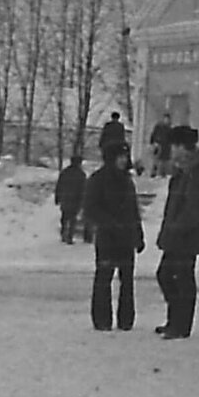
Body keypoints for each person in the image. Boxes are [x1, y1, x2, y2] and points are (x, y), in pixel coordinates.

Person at [155, 125, 199, 340]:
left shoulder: (197, 173)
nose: (170, 151)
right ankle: (175, 320)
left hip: (186, 236)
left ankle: (181, 325)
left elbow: (195, 209)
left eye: (173, 146)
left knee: (181, 279)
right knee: (167, 276)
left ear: (182, 147)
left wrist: (176, 227)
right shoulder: (183, 171)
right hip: (176, 234)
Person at [82, 140, 145, 331]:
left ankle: (126, 320)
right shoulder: (97, 179)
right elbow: (90, 208)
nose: (123, 160)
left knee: (127, 280)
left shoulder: (127, 181)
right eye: (120, 157)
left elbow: (134, 210)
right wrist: (109, 224)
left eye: (125, 157)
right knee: (104, 278)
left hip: (126, 238)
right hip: (107, 238)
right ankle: (102, 320)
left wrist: (138, 235)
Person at [53, 155, 86, 244]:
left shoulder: (64, 172)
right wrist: (83, 201)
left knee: (64, 216)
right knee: (72, 218)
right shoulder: (81, 174)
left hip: (65, 198)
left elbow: (59, 185)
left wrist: (57, 197)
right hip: (75, 199)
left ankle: (63, 233)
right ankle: (69, 237)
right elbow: (83, 189)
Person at [149, 112, 173, 178]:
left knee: (164, 160)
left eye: (167, 119)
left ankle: (162, 173)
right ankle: (154, 172)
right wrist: (152, 142)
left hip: (166, 146)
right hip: (158, 145)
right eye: (165, 119)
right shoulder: (158, 127)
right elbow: (153, 134)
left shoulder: (169, 129)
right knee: (156, 159)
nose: (166, 120)